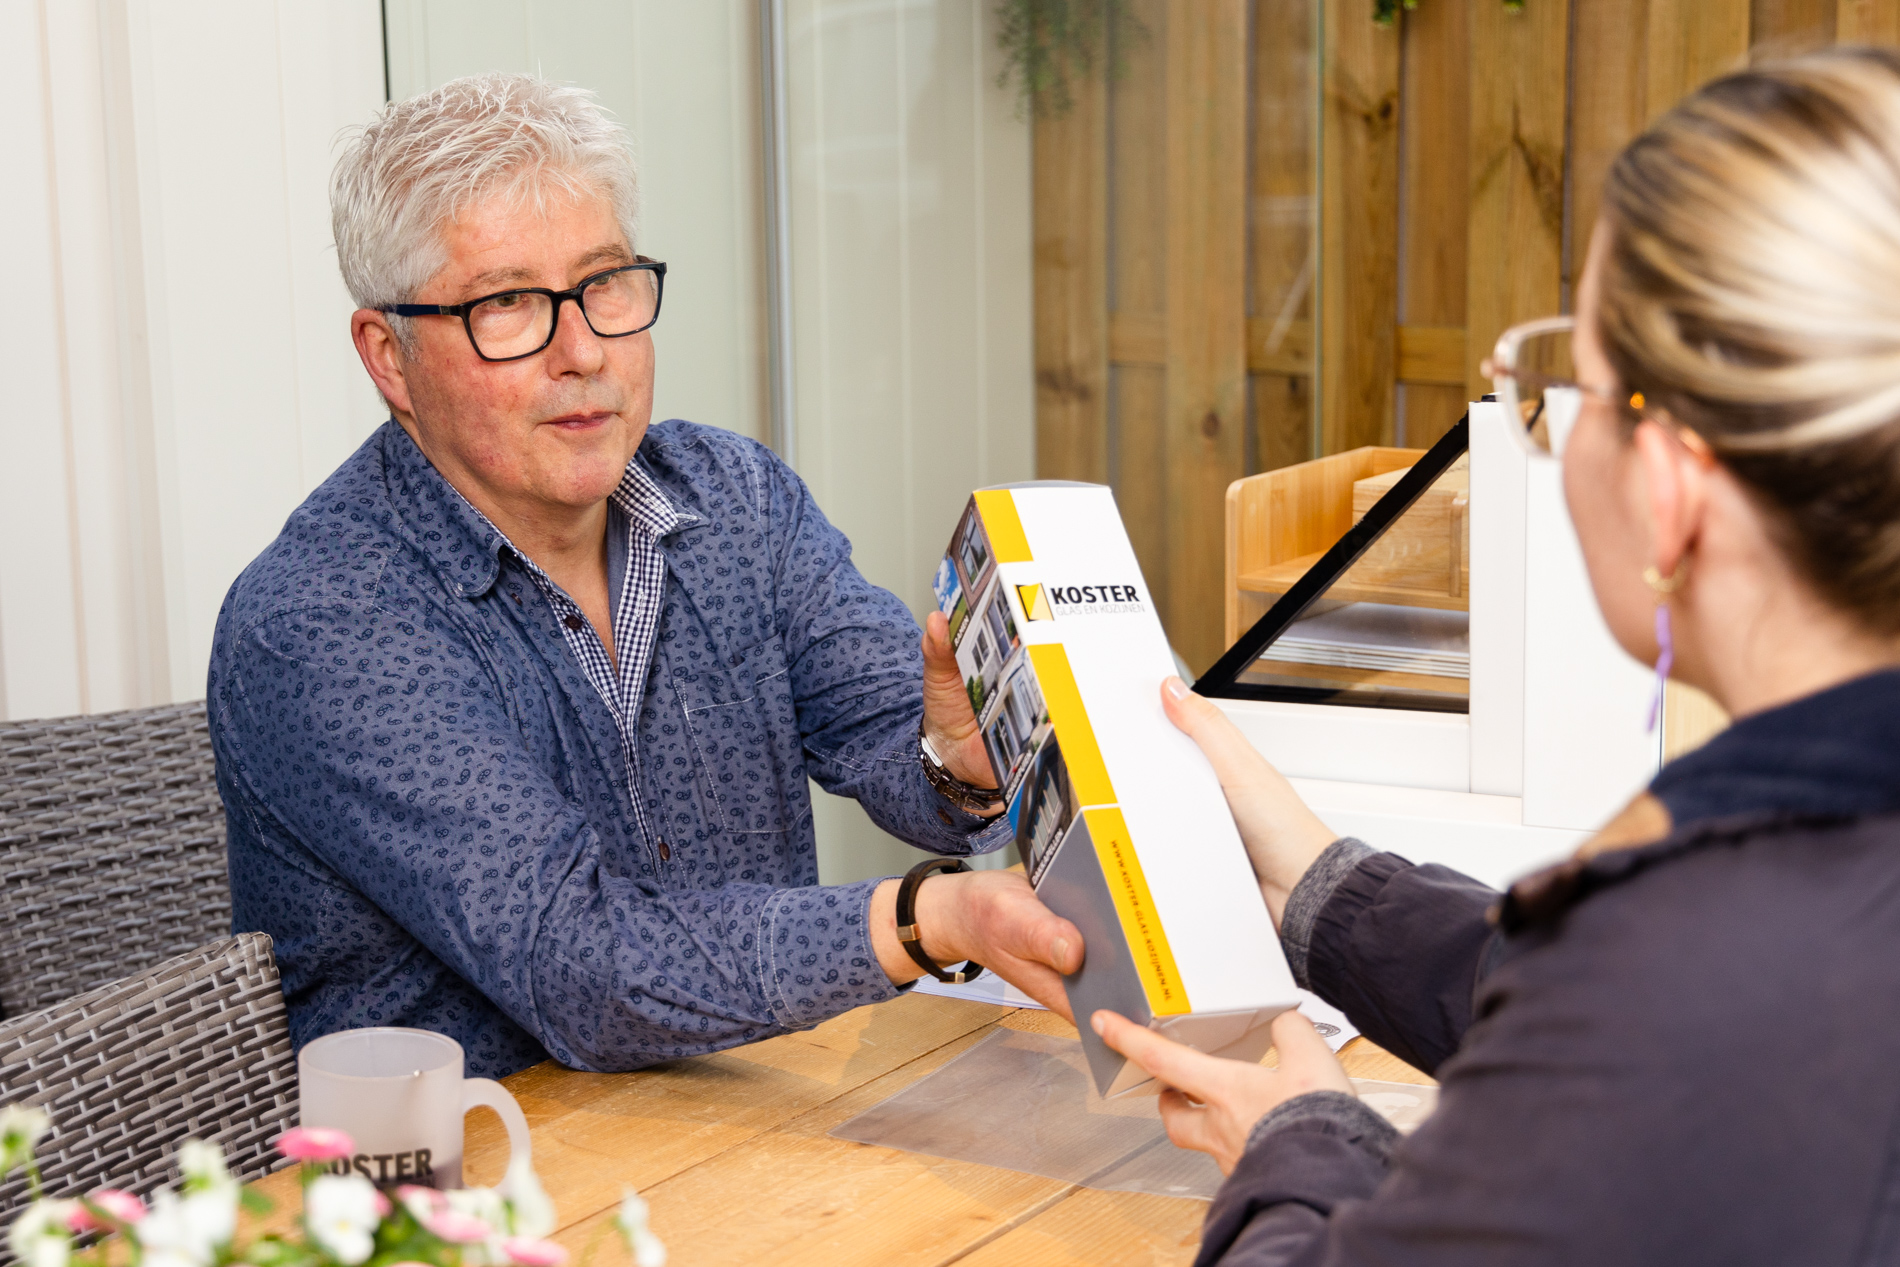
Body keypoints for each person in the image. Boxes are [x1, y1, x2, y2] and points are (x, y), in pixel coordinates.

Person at [1092, 47, 1900, 1265]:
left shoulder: (1671, 960)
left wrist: (1299, 1143)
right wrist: (1312, 881)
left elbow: (1628, 1023)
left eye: (1571, 391)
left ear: (1670, 489)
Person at [208, 73, 1078, 1079]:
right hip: (478, 1158)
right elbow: (582, 966)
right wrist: (926, 920)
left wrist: (961, 759)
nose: (583, 351)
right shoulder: (321, 620)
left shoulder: (734, 498)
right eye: (506, 304)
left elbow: (892, 735)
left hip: (747, 1103)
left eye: (604, 283)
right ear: (389, 357)